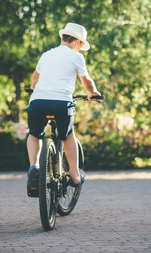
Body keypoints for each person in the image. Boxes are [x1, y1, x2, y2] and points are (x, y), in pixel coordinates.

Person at [26, 22, 101, 197]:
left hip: (38, 101)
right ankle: (74, 175)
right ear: (78, 42)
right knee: (68, 135)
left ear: (62, 38)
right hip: (61, 103)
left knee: (34, 134)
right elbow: (86, 80)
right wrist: (93, 93)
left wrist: (32, 88)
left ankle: (33, 167)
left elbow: (35, 77)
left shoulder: (46, 55)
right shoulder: (76, 57)